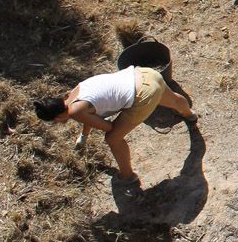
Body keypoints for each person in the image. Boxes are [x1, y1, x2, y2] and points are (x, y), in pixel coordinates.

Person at [33, 66, 197, 187]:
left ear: (57, 116)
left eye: (54, 121)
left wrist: (98, 129)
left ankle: (128, 176)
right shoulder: (75, 93)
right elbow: (88, 114)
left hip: (143, 94)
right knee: (173, 100)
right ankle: (189, 115)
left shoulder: (75, 111)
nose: (57, 123)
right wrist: (84, 137)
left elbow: (108, 127)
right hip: (145, 75)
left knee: (113, 138)